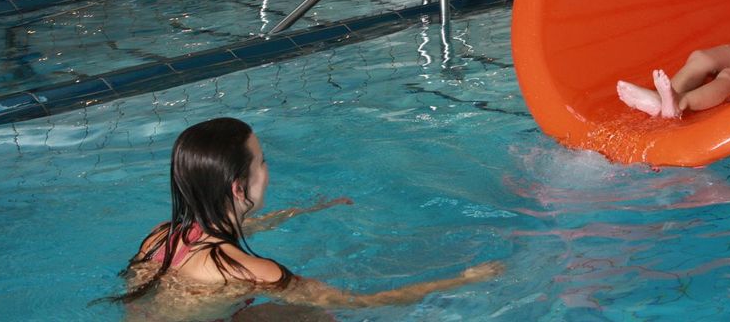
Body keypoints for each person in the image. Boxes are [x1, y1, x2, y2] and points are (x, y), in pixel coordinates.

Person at [100, 117, 502, 320]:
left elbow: (236, 229)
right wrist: (461, 279)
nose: (268, 170)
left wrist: (306, 211)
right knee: (326, 316)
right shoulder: (251, 271)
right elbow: (361, 302)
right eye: (263, 162)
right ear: (240, 188)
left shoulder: (160, 236)